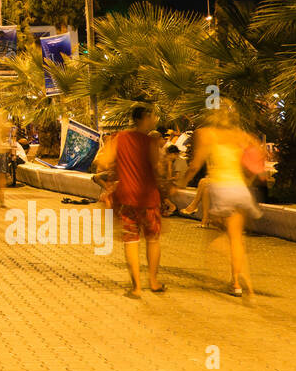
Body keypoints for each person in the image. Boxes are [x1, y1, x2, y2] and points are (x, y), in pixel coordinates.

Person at [181, 107, 263, 302]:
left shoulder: (207, 134)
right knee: (236, 238)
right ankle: (236, 280)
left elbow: (194, 165)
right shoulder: (242, 136)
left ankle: (237, 275)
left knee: (219, 236)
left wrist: (180, 184)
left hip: (221, 190)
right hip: (240, 189)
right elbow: (257, 163)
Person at [95, 105, 166, 298]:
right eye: (152, 116)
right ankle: (153, 281)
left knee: (131, 241)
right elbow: (156, 169)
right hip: (148, 197)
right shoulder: (150, 142)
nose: (154, 119)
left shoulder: (120, 138)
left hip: (126, 197)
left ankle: (136, 287)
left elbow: (103, 161)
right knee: (152, 239)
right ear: (145, 117)